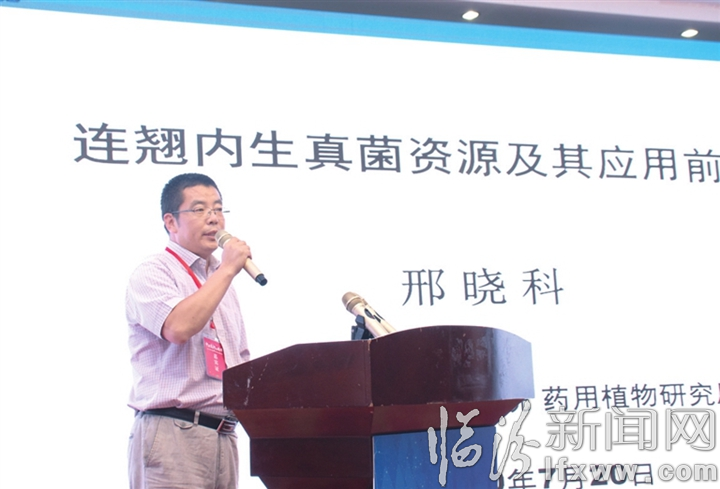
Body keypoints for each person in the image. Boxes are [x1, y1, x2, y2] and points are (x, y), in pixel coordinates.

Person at [126, 173, 252, 489]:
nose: (214, 218)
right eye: (199, 210)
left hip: (223, 436)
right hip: (174, 434)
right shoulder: (153, 272)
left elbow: (240, 362)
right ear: (171, 222)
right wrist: (228, 269)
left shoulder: (220, 282)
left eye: (218, 209)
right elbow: (178, 328)